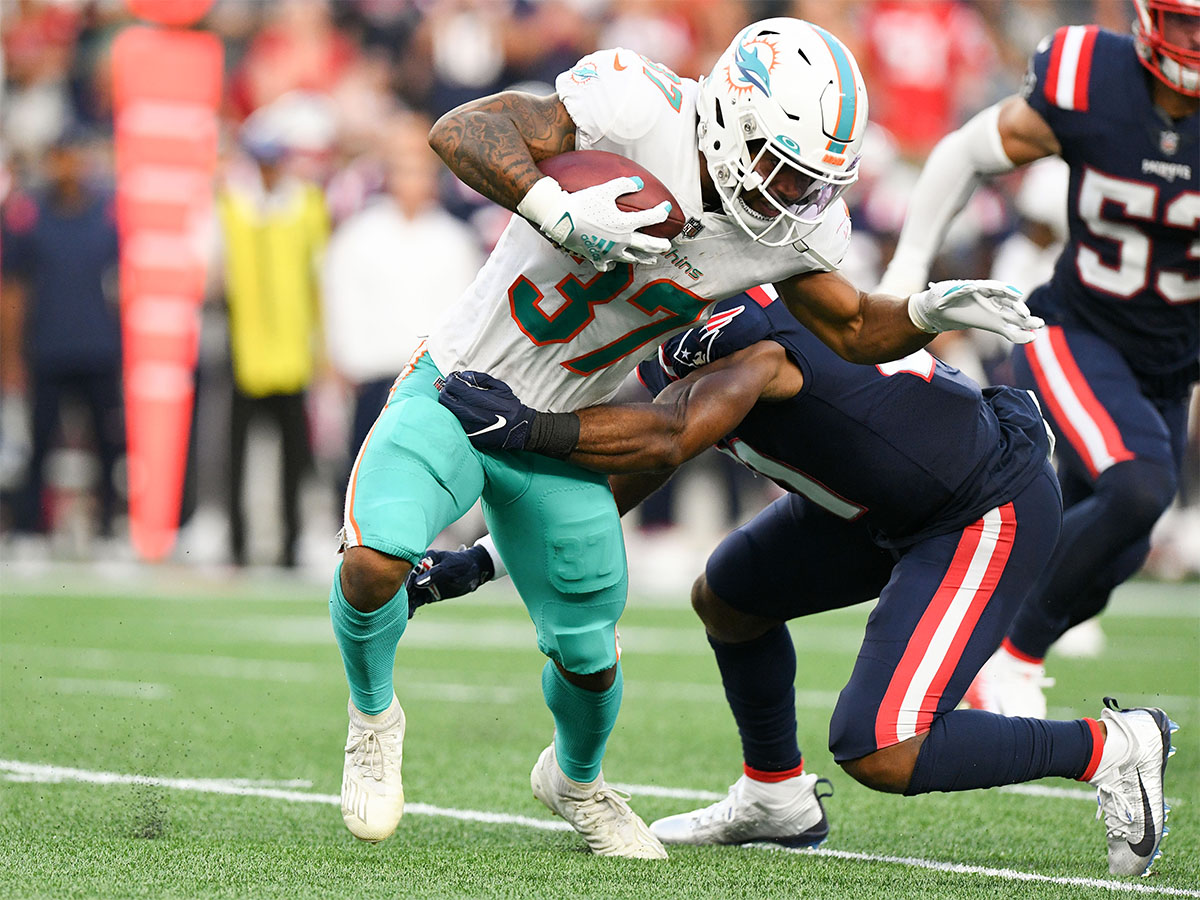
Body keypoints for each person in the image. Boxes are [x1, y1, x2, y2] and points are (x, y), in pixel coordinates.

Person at [332, 17, 1042, 859]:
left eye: (811, 183)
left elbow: (851, 328)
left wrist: (922, 312)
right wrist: (558, 213)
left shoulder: (786, 235)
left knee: (592, 660)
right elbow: (462, 129)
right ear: (734, 120)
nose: (793, 198)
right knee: (377, 558)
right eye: (784, 170)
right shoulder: (637, 108)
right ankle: (373, 717)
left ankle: (580, 784)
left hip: (564, 429)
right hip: (462, 377)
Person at [428, 289, 1177, 877]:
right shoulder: (693, 318)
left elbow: (670, 433)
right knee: (730, 597)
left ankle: (1110, 746)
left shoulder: (751, 326)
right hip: (883, 501)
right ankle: (776, 795)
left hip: (979, 502)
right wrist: (487, 559)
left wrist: (530, 427)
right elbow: (646, 461)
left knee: (881, 747)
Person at [876, 0, 1199, 718]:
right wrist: (907, 271)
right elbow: (966, 151)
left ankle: (977, 616)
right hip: (1080, 329)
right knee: (1140, 486)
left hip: (1175, 358)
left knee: (1118, 543)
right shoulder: (1094, 79)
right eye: (1188, 22)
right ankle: (1007, 658)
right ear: (1148, 19)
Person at [322, 111, 483, 490]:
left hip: (432, 378)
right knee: (363, 470)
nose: (412, 180)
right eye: (403, 170)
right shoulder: (359, 235)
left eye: (419, 171)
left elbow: (465, 310)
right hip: (374, 373)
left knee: (423, 473)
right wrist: (344, 357)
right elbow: (342, 298)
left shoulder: (454, 240)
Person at [0, 130, 123, 545]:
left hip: (98, 346)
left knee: (108, 444)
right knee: (40, 442)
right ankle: (30, 527)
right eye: (60, 157)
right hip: (48, 346)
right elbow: (13, 289)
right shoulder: (31, 214)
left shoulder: (106, 213)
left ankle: (108, 526)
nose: (67, 166)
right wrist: (11, 354)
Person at [216, 116, 329, 568]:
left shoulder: (305, 205)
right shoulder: (231, 204)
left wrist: (322, 343)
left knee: (294, 457)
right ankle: (236, 544)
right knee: (236, 454)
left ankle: (291, 543)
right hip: (244, 349)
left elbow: (320, 277)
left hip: (292, 351)